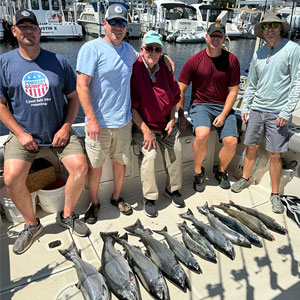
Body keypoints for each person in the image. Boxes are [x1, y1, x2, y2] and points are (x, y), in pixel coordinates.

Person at [0, 9, 90, 255]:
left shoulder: (59, 61)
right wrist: (19, 134)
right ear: (14, 31)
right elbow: (1, 105)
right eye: (23, 27)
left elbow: (73, 98)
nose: (28, 31)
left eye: (33, 27)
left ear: (39, 32)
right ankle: (32, 224)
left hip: (58, 132)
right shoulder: (4, 63)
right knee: (11, 179)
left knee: (80, 167)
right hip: (24, 134)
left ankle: (68, 215)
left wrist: (66, 127)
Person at [77, 4, 174, 224]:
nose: (117, 27)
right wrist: (91, 119)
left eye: (122, 22)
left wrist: (164, 56)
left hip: (123, 122)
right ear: (105, 23)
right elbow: (81, 85)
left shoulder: (129, 51)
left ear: (127, 26)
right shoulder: (91, 49)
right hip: (98, 124)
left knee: (121, 163)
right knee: (96, 167)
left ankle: (116, 197)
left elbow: (147, 55)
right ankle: (94, 203)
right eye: (113, 22)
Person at [230, 11, 300, 214]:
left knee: (275, 154)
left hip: (278, 111)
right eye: (266, 27)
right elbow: (251, 84)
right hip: (257, 109)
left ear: (280, 27)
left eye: (274, 26)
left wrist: (287, 111)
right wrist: (245, 106)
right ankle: (244, 178)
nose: (270, 30)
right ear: (262, 31)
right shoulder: (258, 53)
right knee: (250, 147)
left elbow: (297, 82)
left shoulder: (293, 49)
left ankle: (275, 194)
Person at [177, 23, 240, 193]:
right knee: (202, 134)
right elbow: (181, 89)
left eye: (219, 36)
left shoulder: (232, 60)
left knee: (232, 142)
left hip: (223, 106)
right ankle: (198, 172)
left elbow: (234, 91)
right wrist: (181, 115)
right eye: (213, 36)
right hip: (201, 105)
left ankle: (221, 172)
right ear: (207, 37)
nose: (216, 39)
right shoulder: (194, 61)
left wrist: (224, 113)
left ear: (223, 39)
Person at [131, 30, 184, 218]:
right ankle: (150, 197)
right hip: (144, 126)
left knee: (176, 149)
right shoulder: (134, 69)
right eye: (149, 48)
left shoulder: (165, 68)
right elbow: (132, 108)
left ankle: (173, 189)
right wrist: (145, 131)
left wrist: (172, 120)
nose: (152, 52)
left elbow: (173, 100)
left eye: (157, 49)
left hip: (166, 124)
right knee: (150, 155)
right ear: (142, 49)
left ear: (162, 51)